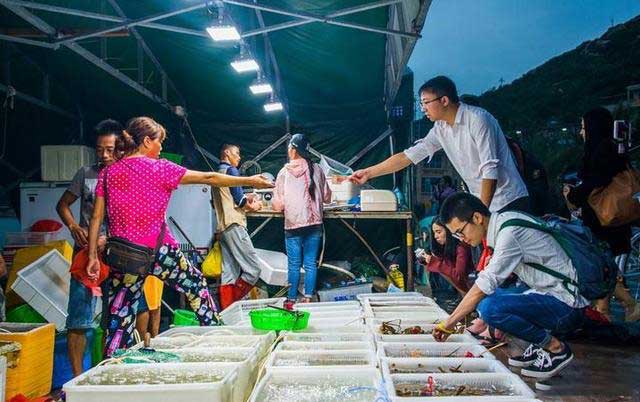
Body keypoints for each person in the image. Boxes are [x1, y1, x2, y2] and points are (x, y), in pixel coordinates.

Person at [86, 117, 273, 355]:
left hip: (124, 257)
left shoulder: (109, 173)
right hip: (160, 251)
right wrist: (249, 180)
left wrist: (93, 255)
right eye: (159, 142)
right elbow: (209, 178)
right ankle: (218, 340)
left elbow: (95, 218)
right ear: (146, 141)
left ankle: (111, 366)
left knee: (120, 313)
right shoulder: (160, 167)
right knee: (195, 284)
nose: (161, 148)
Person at [432, 193, 587, 378]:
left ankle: (554, 348)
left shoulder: (510, 234)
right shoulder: (505, 221)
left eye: (460, 231)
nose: (461, 238)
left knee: (489, 307)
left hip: (566, 305)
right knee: (490, 299)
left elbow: (484, 284)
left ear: (477, 218)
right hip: (550, 293)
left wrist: (449, 323)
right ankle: (537, 344)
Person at [350, 76, 529, 213]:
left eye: (426, 102)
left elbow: (490, 169)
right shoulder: (440, 129)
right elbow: (407, 156)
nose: (422, 109)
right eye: (421, 104)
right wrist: (369, 172)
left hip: (509, 201)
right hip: (483, 205)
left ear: (444, 100)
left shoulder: (478, 119)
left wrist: (481, 214)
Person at [56, 119, 122, 377]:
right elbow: (62, 205)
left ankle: (109, 375)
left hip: (116, 255)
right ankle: (76, 380)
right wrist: (73, 226)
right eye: (99, 149)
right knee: (79, 318)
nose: (104, 155)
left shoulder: (125, 175)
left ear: (121, 148)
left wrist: (111, 238)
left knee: (115, 317)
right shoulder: (86, 173)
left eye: (110, 149)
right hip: (84, 254)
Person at [564, 107, 639, 322]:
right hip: (613, 220)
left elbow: (595, 182)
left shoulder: (602, 151)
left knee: (600, 265)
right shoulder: (614, 148)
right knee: (605, 265)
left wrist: (574, 194)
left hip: (604, 221)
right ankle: (610, 311)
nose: (581, 133)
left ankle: (619, 307)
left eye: (583, 127)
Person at [272, 134, 331, 307]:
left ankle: (291, 299)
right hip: (314, 224)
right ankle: (307, 297)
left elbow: (277, 206)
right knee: (310, 263)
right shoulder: (317, 169)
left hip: (293, 225)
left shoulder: (284, 173)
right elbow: (327, 197)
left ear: (293, 149)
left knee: (294, 264)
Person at [211, 143, 263, 309]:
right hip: (234, 224)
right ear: (226, 153)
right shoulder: (232, 172)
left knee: (229, 274)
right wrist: (253, 205)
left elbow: (221, 199)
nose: (239, 157)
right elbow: (240, 202)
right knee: (254, 270)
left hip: (222, 227)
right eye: (237, 153)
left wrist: (246, 196)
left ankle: (227, 314)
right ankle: (234, 304)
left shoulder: (216, 174)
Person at [420, 217, 474, 295]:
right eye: (434, 232)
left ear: (448, 231)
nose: (435, 236)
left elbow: (459, 276)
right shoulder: (445, 248)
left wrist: (435, 262)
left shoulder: (461, 247)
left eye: (439, 232)